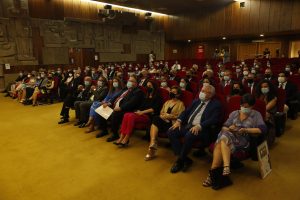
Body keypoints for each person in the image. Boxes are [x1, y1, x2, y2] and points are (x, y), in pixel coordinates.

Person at [202, 94, 267, 188]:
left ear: (252, 106)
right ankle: (226, 167)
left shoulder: (256, 114)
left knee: (221, 142)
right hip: (229, 136)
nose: (243, 108)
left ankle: (211, 175)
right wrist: (230, 128)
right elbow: (224, 126)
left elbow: (262, 129)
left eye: (246, 107)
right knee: (224, 136)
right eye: (242, 106)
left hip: (243, 140)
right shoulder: (234, 113)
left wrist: (246, 130)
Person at [167, 85, 222, 173]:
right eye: (201, 90)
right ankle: (185, 159)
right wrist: (179, 121)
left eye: (204, 91)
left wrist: (200, 126)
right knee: (171, 131)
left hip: (203, 130)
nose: (201, 93)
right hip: (188, 126)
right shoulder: (196, 101)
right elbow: (186, 112)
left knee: (189, 135)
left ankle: (180, 161)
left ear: (210, 94)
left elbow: (214, 119)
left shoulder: (216, 104)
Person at [96, 75, 145, 142]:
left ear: (137, 83)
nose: (129, 82)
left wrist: (121, 108)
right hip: (116, 106)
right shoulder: (125, 89)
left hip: (127, 110)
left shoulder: (138, 92)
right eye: (129, 80)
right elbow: (115, 97)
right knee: (102, 109)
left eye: (132, 81)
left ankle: (115, 134)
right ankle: (104, 130)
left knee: (115, 114)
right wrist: (109, 103)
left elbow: (131, 103)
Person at [114, 80, 163, 147]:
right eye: (147, 86)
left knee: (131, 116)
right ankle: (121, 137)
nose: (148, 87)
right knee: (126, 115)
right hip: (141, 113)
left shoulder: (158, 97)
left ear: (154, 87)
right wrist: (138, 111)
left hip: (149, 115)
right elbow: (141, 106)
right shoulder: (146, 95)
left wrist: (142, 112)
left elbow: (154, 109)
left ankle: (127, 138)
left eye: (150, 86)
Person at [144, 86, 185, 161]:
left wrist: (170, 116)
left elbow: (181, 116)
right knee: (156, 118)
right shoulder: (167, 102)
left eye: (174, 92)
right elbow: (161, 112)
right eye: (171, 91)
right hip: (163, 121)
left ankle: (151, 150)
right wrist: (163, 116)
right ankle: (153, 142)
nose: (171, 93)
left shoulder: (180, 104)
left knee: (155, 120)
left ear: (178, 94)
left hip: (172, 124)